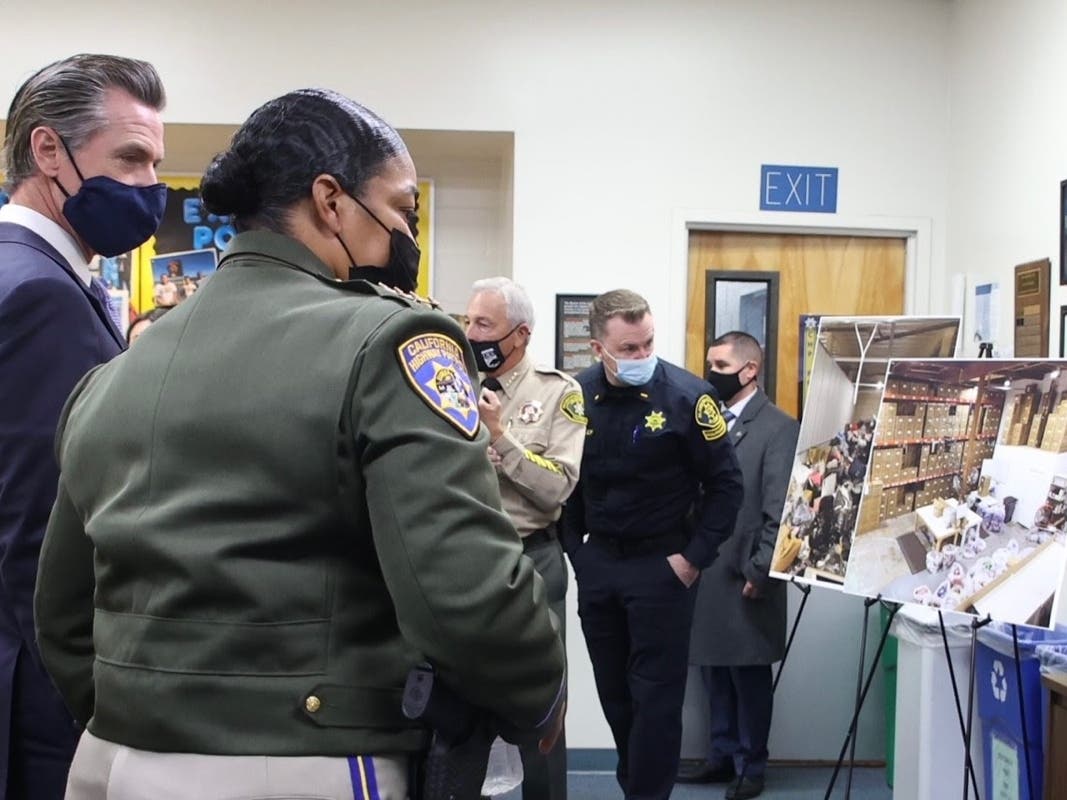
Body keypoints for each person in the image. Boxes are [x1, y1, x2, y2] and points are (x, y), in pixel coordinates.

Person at [33, 88, 565, 800]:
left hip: (110, 759)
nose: (405, 233)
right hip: (303, 755)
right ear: (330, 201)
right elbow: (463, 590)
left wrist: (136, 715)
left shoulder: (113, 375)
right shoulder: (393, 341)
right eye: (402, 209)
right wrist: (539, 692)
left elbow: (62, 612)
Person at [0, 53, 166, 800]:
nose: (149, 185)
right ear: (47, 150)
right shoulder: (41, 293)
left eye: (154, 162)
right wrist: (86, 691)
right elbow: (40, 530)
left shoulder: (34, 272)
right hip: (37, 695)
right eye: (129, 158)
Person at [562, 289, 743, 800]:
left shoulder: (689, 398)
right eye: (629, 348)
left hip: (663, 567)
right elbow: (566, 482)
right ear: (598, 349)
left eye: (648, 344)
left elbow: (727, 486)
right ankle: (636, 786)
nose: (642, 356)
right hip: (600, 565)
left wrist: (693, 559)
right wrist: (577, 552)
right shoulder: (575, 397)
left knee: (657, 702)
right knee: (615, 695)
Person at [465, 276, 586, 800]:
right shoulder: (452, 383)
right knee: (463, 698)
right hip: (466, 560)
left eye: (484, 324)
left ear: (520, 334)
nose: (472, 333)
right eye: (469, 321)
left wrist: (499, 435)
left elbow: (557, 486)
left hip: (532, 558)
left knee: (542, 700)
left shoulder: (558, 392)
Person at [678, 332, 799, 800]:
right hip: (707, 568)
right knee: (713, 670)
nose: (711, 374)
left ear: (750, 370)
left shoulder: (778, 427)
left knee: (748, 675)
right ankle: (721, 756)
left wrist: (761, 570)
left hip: (745, 572)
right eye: (709, 364)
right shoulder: (708, 421)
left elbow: (781, 509)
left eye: (721, 366)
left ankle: (751, 765)